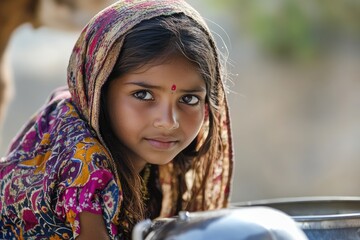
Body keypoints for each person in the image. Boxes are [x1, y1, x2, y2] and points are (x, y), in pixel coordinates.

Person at [0, 0, 233, 239]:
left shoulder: (130, 146)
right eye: (143, 95)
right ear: (98, 89)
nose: (168, 121)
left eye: (190, 99)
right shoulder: (85, 164)